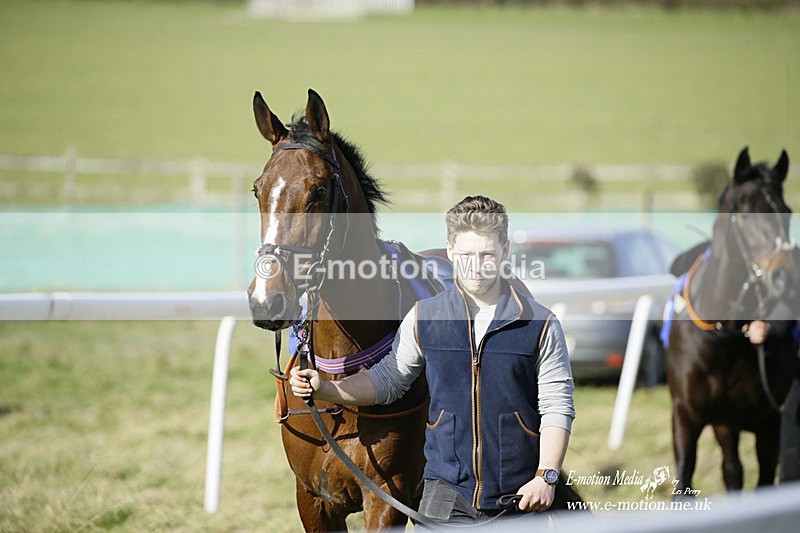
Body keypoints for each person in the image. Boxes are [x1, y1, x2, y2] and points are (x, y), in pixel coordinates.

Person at [289, 195, 575, 523]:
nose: (477, 267)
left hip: (518, 495)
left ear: (505, 252)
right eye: (467, 255)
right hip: (443, 497)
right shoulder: (424, 318)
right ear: (451, 252)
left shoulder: (541, 324)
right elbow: (388, 380)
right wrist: (326, 388)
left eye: (487, 255)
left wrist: (546, 476)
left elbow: (557, 406)